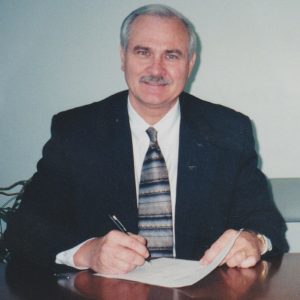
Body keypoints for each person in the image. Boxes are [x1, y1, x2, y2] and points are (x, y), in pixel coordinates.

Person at [5, 4, 288, 275]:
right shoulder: (77, 130)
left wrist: (253, 239)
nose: (156, 70)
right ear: (123, 57)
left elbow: (266, 223)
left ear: (190, 63)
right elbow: (26, 228)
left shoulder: (228, 129)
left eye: (172, 55)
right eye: (143, 52)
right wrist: (89, 252)